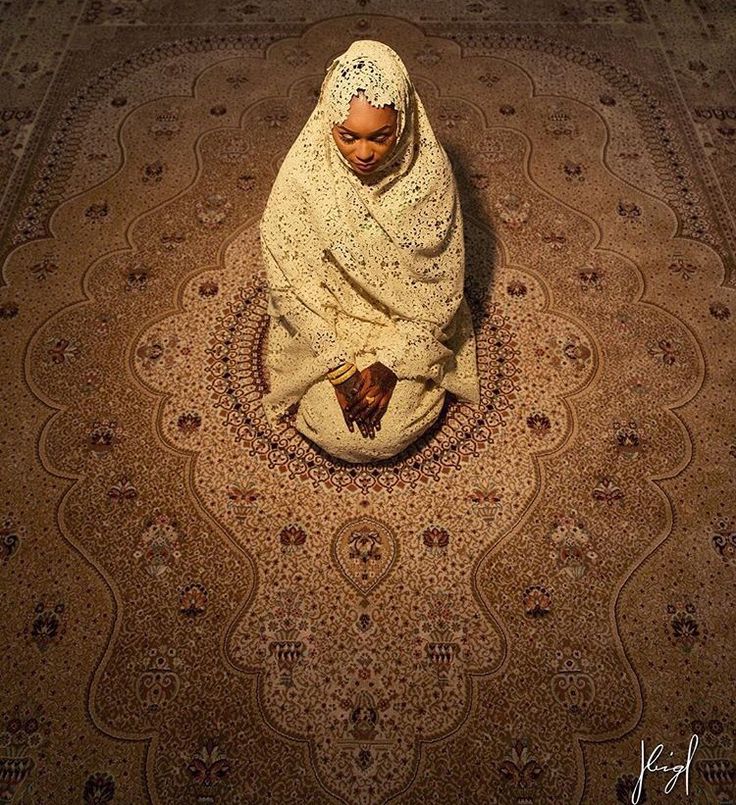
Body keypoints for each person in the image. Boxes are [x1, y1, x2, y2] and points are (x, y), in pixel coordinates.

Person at [259, 39, 480, 463]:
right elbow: (287, 283)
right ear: (328, 122)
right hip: (327, 319)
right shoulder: (304, 172)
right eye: (348, 136)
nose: (363, 153)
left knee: (383, 434)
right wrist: (338, 366)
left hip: (403, 327)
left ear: (406, 122)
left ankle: (411, 382)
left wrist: (392, 364)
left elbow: (441, 292)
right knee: (337, 430)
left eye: (380, 137)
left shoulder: (429, 177)